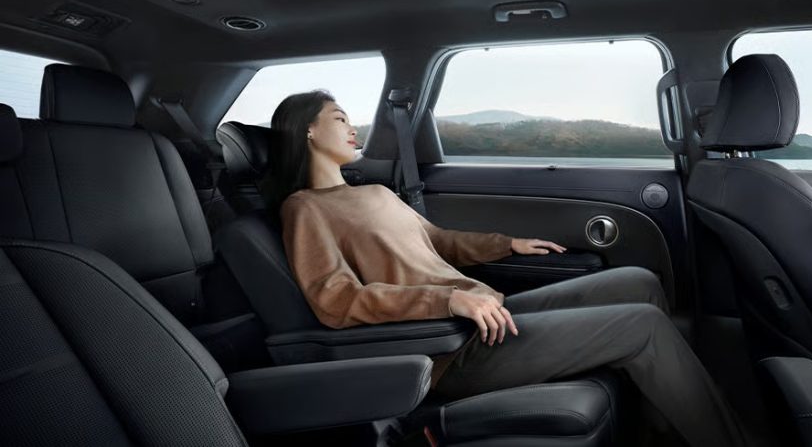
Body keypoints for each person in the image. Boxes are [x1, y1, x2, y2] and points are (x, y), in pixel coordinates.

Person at [268, 90, 746, 446]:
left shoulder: (374, 192)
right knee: (641, 326)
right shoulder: (304, 208)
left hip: (484, 316)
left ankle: (664, 428)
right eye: (339, 118)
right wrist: (447, 299)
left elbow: (438, 241)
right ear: (307, 130)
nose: (353, 127)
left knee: (638, 282)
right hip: (444, 348)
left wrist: (507, 244)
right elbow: (335, 299)